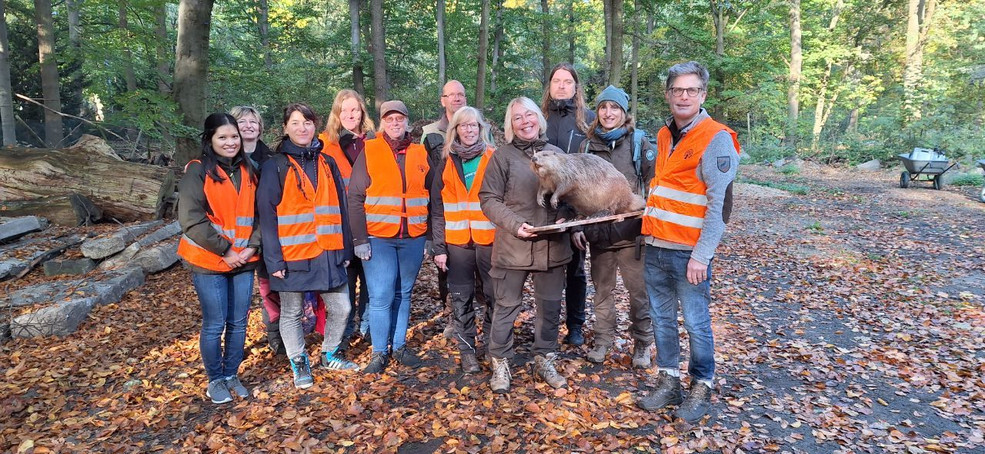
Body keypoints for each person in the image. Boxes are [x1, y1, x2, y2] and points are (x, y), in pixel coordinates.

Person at [636, 61, 740, 423]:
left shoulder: (716, 137)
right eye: (678, 90)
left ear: (703, 95)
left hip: (689, 255)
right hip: (656, 248)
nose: (684, 96)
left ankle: (701, 384)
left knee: (696, 322)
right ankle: (669, 381)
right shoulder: (664, 135)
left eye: (691, 90)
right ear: (668, 95)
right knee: (662, 319)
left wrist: (702, 256)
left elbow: (719, 207)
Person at [257, 103, 358, 391]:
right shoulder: (275, 165)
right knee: (291, 312)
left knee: (342, 307)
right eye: (296, 123)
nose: (303, 128)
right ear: (286, 127)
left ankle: (330, 353)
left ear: (316, 126)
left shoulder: (328, 162)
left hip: (328, 251)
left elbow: (342, 207)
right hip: (292, 255)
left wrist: (346, 250)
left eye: (308, 123)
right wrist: (274, 261)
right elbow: (267, 214)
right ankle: (298, 361)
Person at [478, 97, 574, 393]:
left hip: (553, 248)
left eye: (529, 115)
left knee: (549, 308)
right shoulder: (502, 157)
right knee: (505, 307)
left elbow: (574, 195)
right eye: (517, 117)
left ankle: (544, 359)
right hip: (512, 247)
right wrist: (514, 224)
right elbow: (488, 198)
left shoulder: (558, 154)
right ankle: (500, 363)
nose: (525, 121)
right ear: (511, 125)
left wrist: (565, 217)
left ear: (539, 119)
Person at [177, 113, 260, 404]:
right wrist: (227, 250)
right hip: (209, 260)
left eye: (234, 137)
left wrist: (251, 247)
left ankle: (231, 374)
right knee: (215, 323)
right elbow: (191, 219)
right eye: (222, 137)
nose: (230, 142)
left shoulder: (251, 169)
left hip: (244, 259)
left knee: (238, 322)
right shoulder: (197, 171)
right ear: (210, 140)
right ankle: (215, 380)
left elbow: (261, 214)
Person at [572, 85, 655, 368]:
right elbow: (575, 191)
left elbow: (654, 187)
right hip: (599, 236)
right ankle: (603, 341)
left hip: (633, 236)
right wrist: (578, 226)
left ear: (624, 112)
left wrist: (646, 216)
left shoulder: (639, 144)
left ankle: (643, 343)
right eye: (604, 108)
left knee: (638, 295)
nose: (608, 113)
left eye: (615, 108)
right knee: (602, 293)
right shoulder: (586, 145)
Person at [348, 100, 432, 374]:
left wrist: (430, 236)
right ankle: (379, 352)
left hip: (413, 237)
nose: (395, 123)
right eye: (389, 119)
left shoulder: (421, 153)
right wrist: (359, 240)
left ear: (408, 122)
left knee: (403, 293)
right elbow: (356, 197)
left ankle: (399, 346)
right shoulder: (370, 150)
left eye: (400, 119)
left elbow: (432, 197)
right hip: (378, 237)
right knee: (381, 296)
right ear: (382, 123)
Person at [429, 106, 496, 374]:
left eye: (474, 126)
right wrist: (439, 247)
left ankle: (492, 347)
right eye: (463, 126)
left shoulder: (493, 158)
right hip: (457, 244)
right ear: (455, 130)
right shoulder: (445, 161)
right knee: (461, 298)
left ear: (481, 129)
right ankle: (468, 352)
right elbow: (436, 207)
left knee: (494, 296)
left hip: (490, 240)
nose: (469, 130)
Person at [540, 63, 596, 346]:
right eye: (556, 80)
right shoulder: (538, 118)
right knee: (544, 269)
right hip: (543, 208)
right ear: (549, 86)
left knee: (575, 269)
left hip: (576, 207)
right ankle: (545, 327)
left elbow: (593, 168)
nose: (562, 85)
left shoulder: (587, 120)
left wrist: (575, 214)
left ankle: (575, 325)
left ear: (576, 87)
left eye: (567, 81)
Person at [317, 90, 376, 346]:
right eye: (344, 110)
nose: (350, 115)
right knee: (346, 281)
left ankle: (368, 324)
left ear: (362, 112)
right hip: (339, 226)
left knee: (371, 279)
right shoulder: (323, 144)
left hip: (371, 224)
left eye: (355, 109)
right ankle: (345, 330)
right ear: (336, 114)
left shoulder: (375, 141)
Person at [229, 106, 284, 356]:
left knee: (270, 287)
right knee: (234, 296)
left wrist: (257, 240)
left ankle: (275, 335)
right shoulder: (224, 159)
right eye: (242, 121)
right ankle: (233, 344)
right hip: (231, 239)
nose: (248, 125)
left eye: (254, 121)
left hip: (266, 234)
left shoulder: (272, 160)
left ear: (260, 128)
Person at [421, 80, 468, 339]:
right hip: (442, 211)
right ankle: (451, 315)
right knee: (445, 265)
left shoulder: (478, 126)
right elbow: (424, 176)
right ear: (443, 100)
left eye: (461, 94)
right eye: (452, 95)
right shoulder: (430, 133)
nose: (457, 99)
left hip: (474, 211)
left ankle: (472, 312)